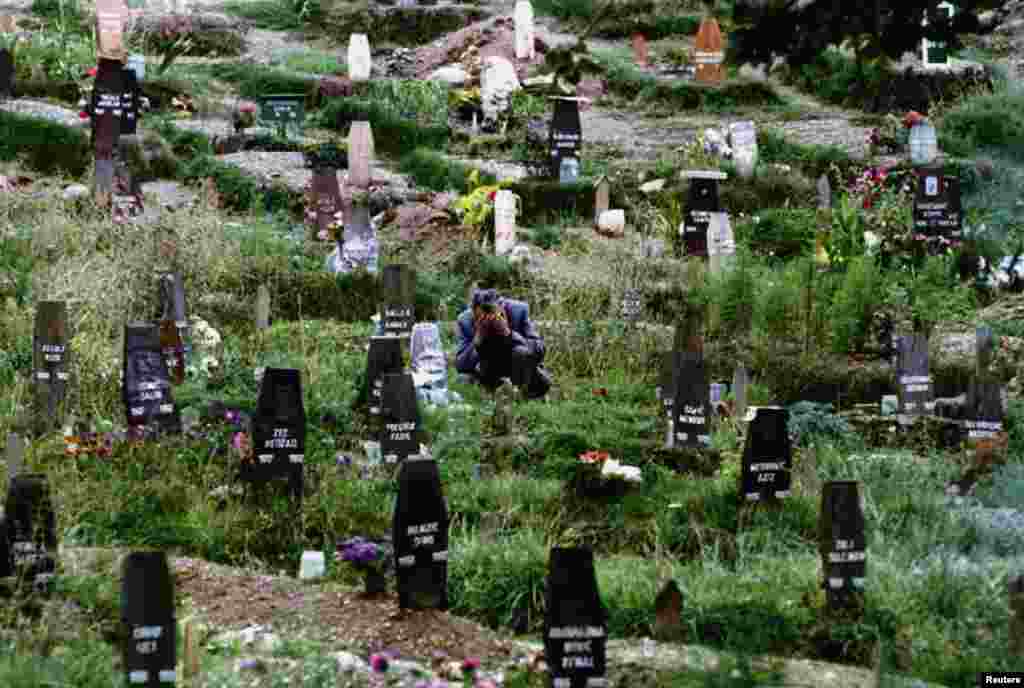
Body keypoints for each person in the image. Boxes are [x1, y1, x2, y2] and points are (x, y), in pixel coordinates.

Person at [456, 288, 551, 400]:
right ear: (473, 312)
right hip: (486, 369)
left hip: (517, 366)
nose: (489, 321)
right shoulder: (465, 321)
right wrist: (478, 339)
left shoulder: (518, 311)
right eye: (481, 317)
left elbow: (539, 350)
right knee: (463, 379)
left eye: (494, 315)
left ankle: (524, 395)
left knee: (520, 351)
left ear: (502, 307)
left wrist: (509, 333)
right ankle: (492, 394)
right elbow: (461, 365)